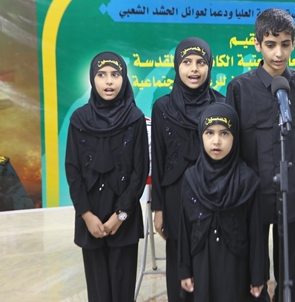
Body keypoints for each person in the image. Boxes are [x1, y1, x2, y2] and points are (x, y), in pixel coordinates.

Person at [227, 8, 295, 301]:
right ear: (257, 44)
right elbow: (232, 150)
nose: (278, 53)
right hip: (252, 197)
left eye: (285, 44)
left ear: (294, 44)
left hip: (293, 194)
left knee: (288, 275)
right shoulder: (239, 88)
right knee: (254, 274)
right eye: (270, 44)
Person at [65, 51, 149, 302]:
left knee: (123, 292)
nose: (109, 81)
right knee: (98, 292)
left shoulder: (134, 118)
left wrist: (120, 215)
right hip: (89, 217)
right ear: (92, 79)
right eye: (101, 75)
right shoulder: (79, 119)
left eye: (115, 74)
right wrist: (86, 215)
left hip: (124, 218)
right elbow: (72, 169)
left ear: (124, 78)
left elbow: (139, 171)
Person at [151, 37, 225, 302]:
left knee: (211, 260)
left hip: (213, 195)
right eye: (187, 62)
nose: (194, 69)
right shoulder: (162, 107)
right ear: (177, 66)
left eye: (201, 62)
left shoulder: (221, 105)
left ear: (209, 66)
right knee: (178, 263)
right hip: (175, 198)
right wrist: (158, 209)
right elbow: (158, 159)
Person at [179, 103, 265, 301]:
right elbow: (185, 228)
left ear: (235, 137)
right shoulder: (191, 178)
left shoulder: (247, 180)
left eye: (224, 133)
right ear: (201, 135)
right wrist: (184, 269)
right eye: (209, 133)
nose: (216, 141)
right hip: (200, 265)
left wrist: (258, 275)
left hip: (236, 267)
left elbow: (256, 233)